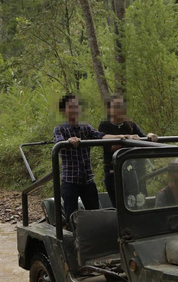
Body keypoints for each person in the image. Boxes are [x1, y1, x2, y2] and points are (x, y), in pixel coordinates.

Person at [53, 93, 137, 222]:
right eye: (71, 107)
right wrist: (68, 141)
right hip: (70, 181)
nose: (75, 109)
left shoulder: (85, 127)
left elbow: (101, 136)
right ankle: (73, 239)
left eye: (77, 106)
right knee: (71, 217)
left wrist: (121, 137)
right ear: (64, 110)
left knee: (96, 215)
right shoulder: (60, 129)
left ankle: (95, 239)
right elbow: (59, 144)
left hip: (87, 180)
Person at [98, 94, 158, 207]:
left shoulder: (129, 124)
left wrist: (150, 136)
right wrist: (127, 139)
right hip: (113, 171)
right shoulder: (104, 125)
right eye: (116, 106)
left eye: (121, 106)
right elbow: (110, 147)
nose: (119, 109)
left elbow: (143, 140)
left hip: (131, 169)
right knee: (119, 205)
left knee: (134, 202)